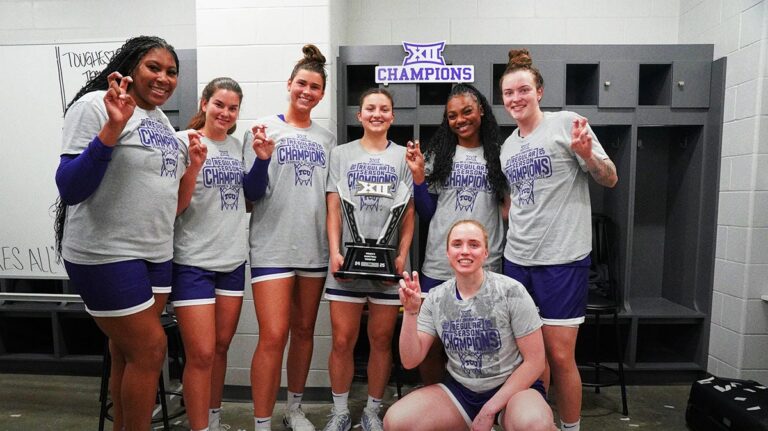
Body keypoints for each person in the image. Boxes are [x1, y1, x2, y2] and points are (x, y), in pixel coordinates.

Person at [53, 36, 206, 431]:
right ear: (130, 67)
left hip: (155, 255)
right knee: (150, 350)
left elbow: (171, 205)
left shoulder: (163, 126)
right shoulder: (95, 106)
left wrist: (190, 169)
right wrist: (112, 129)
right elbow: (70, 187)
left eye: (172, 72)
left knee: (127, 353)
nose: (164, 77)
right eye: (153, 67)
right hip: (105, 253)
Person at [498, 48, 618, 431]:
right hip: (517, 259)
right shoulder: (507, 147)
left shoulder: (567, 124)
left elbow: (609, 177)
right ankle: (537, 423)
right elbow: (517, 202)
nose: (516, 98)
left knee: (560, 355)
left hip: (562, 259)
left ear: (539, 92)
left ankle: (570, 427)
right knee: (527, 355)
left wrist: (588, 155)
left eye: (523, 90)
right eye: (508, 93)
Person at [242, 44, 337, 431]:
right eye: (302, 83)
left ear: (321, 93)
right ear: (289, 84)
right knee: (273, 335)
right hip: (272, 247)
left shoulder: (327, 139)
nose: (307, 91)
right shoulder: (263, 128)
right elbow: (249, 195)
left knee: (303, 332)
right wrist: (263, 159)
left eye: (315, 86)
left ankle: (293, 409)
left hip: (313, 248)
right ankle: (261, 421)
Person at [383, 220, 554, 431]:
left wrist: (489, 409)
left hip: (512, 390)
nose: (465, 251)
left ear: (485, 253)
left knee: (536, 424)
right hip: (462, 391)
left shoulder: (511, 291)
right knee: (396, 422)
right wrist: (410, 312)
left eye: (474, 245)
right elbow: (410, 360)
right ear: (447, 252)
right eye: (457, 244)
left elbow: (536, 362)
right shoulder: (436, 298)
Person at [323, 88, 415, 431]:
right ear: (359, 115)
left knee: (380, 340)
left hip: (387, 266)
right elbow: (333, 207)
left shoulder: (404, 156)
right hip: (346, 264)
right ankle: (340, 411)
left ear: (393, 116)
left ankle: (373, 411)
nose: (377, 114)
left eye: (384, 109)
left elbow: (408, 213)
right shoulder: (341, 154)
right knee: (342, 340)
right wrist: (334, 251)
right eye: (370, 108)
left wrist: (402, 255)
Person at [405, 83, 508, 385]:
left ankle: (479, 406)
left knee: (483, 342)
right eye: (452, 116)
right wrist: (419, 178)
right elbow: (426, 213)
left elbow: (509, 211)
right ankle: (436, 401)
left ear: (481, 111)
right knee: (432, 343)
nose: (460, 120)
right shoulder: (437, 154)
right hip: (439, 262)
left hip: (484, 265)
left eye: (467, 111)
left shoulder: (499, 156)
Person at [172, 77, 252, 431]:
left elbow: (249, 198)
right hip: (192, 262)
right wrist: (193, 167)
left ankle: (213, 420)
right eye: (219, 104)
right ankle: (199, 427)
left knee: (219, 349)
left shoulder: (238, 147)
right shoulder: (183, 142)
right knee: (201, 353)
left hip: (232, 261)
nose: (225, 112)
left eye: (232, 108)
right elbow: (174, 207)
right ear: (204, 103)